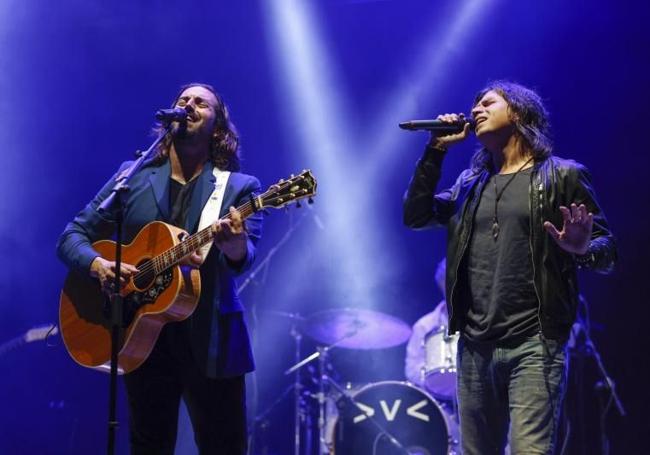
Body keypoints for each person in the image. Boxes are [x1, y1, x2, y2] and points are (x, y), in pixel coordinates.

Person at [403, 81, 616, 455]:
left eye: (488, 102)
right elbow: (415, 215)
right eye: (474, 105)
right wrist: (435, 150)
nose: (477, 109)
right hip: (474, 346)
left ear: (517, 112)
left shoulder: (562, 176)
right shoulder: (469, 185)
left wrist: (581, 249)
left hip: (534, 343)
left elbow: (607, 248)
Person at [57, 83, 263, 454]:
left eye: (201, 103)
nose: (188, 105)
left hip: (211, 341)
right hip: (141, 335)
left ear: (217, 128)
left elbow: (243, 257)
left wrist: (232, 242)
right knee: (148, 445)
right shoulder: (132, 176)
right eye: (182, 100)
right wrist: (99, 265)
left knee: (224, 447)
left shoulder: (239, 188)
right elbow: (73, 235)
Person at [404, 258, 449, 388]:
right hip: (438, 402)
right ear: (441, 284)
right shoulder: (424, 326)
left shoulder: (481, 322)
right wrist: (433, 378)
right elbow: (411, 369)